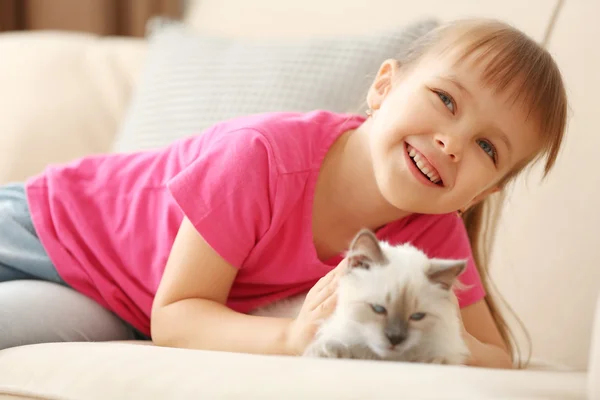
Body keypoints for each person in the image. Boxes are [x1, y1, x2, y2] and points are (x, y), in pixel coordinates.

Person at [0, 18, 567, 369]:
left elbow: (497, 355)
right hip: (51, 228)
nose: (451, 143)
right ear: (383, 86)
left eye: (487, 148)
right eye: (446, 100)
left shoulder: (430, 229)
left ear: (482, 191)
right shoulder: (263, 156)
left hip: (114, 303)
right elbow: (176, 315)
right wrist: (291, 338)